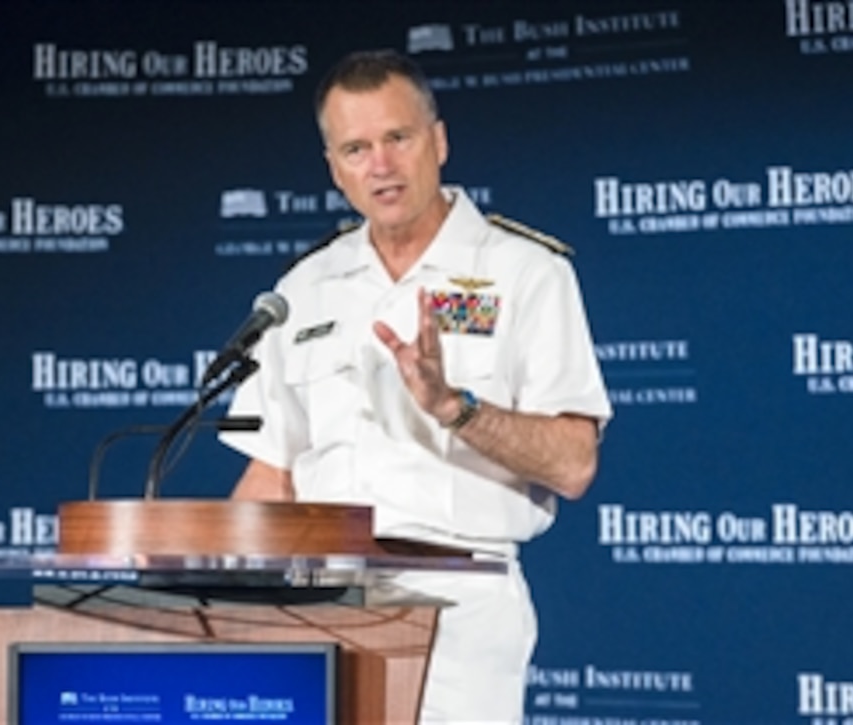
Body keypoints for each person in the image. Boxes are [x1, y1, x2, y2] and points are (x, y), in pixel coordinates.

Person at [219, 49, 612, 723]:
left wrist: (456, 410)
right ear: (334, 169)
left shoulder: (525, 272)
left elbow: (574, 464)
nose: (381, 164)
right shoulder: (301, 290)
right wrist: (213, 603)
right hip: (319, 602)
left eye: (397, 138)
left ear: (438, 140)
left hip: (455, 604)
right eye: (356, 147)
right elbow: (272, 474)